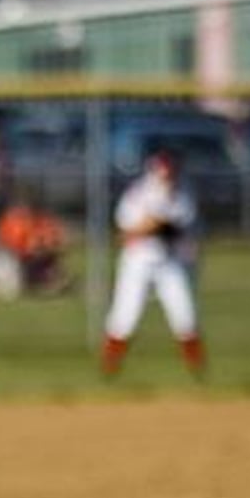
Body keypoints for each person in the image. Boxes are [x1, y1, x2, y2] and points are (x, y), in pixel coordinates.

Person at [100, 148, 207, 378]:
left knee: (185, 314)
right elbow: (125, 232)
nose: (167, 176)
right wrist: (152, 225)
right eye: (162, 171)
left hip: (169, 261)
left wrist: (153, 224)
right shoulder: (138, 193)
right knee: (125, 316)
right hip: (138, 262)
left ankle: (198, 370)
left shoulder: (182, 193)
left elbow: (176, 228)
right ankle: (109, 367)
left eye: (170, 171)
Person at [0, 185, 70, 299]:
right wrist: (35, 250)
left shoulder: (44, 220)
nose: (23, 208)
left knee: (51, 268)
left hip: (29, 262)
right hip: (11, 260)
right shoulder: (11, 220)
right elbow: (9, 248)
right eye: (21, 205)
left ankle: (39, 282)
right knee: (6, 284)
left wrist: (45, 250)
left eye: (27, 204)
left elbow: (57, 244)